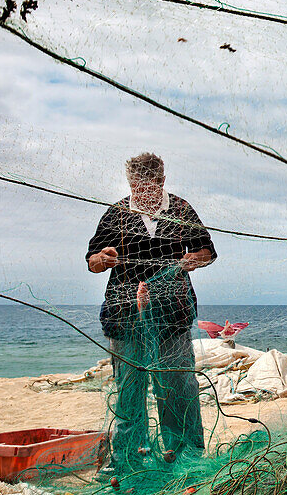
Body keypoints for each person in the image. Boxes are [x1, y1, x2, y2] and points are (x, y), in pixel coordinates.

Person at [87, 153, 215, 477]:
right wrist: (103, 258)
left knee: (177, 389)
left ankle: (186, 456)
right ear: (130, 183)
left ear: (161, 182)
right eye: (135, 188)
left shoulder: (182, 210)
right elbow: (92, 259)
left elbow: (208, 252)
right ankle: (127, 461)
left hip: (172, 316)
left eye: (148, 188)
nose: (141, 195)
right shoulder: (117, 213)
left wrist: (193, 260)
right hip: (126, 316)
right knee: (129, 393)